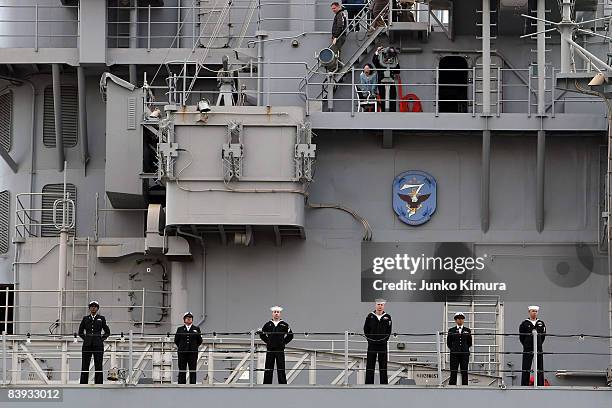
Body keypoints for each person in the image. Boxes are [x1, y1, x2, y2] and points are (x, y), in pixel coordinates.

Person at [78, 301, 111, 384]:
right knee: (85, 364)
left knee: (98, 364)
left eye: (95, 306)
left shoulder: (101, 318)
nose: (93, 308)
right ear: (89, 308)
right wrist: (86, 339)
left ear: (97, 308)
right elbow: (80, 332)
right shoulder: (85, 318)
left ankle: (99, 383)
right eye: (92, 306)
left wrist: (101, 339)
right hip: (87, 345)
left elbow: (107, 331)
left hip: (98, 345)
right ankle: (83, 383)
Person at [260, 306, 294, 384]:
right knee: (268, 367)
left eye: (278, 312)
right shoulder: (268, 324)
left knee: (281, 367)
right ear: (272, 313)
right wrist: (268, 341)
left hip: (280, 349)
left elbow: (290, 335)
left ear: (280, 314)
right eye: (275, 312)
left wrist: (283, 342)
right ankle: (267, 384)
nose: (276, 314)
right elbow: (262, 334)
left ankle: (282, 384)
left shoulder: (284, 325)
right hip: (270, 349)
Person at [363, 299, 392, 384]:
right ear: (375, 305)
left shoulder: (387, 317)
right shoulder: (370, 316)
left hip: (382, 345)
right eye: (378, 304)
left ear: (384, 306)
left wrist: (384, 340)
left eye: (382, 305)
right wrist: (370, 339)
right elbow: (366, 329)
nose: (380, 306)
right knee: (370, 365)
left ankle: (384, 384)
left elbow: (389, 331)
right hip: (372, 344)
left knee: (383, 365)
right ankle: (368, 383)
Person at [519, 305, 546, 386]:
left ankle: (540, 384)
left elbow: (543, 336)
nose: (534, 313)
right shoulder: (524, 323)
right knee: (526, 366)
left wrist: (539, 343)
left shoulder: (541, 323)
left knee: (539, 366)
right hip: (527, 348)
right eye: (533, 311)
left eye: (536, 311)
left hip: (538, 348)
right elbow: (521, 337)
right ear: (529, 312)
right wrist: (526, 344)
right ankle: (524, 384)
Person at [174, 312, 203, 384]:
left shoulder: (196, 329)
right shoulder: (180, 329)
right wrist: (182, 347)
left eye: (190, 318)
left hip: (193, 353)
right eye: (187, 318)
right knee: (182, 369)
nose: (189, 319)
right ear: (184, 319)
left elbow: (199, 341)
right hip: (182, 353)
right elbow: (176, 340)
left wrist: (194, 347)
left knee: (192, 369)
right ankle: (181, 384)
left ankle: (192, 384)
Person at [446, 312, 472, 385]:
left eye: (461, 319)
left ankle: (465, 386)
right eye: (458, 319)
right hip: (454, 354)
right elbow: (449, 343)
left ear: (463, 320)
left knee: (464, 371)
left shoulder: (467, 330)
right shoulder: (451, 330)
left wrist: (464, 348)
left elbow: (469, 342)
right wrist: (454, 349)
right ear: (455, 320)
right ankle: (452, 386)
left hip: (464, 354)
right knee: (453, 370)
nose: (460, 320)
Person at [372, 46, 400, 112]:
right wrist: (377, 51)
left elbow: (398, 71)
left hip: (391, 81)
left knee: (392, 96)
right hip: (381, 82)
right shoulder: (380, 64)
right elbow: (374, 61)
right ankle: (384, 112)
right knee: (383, 97)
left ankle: (392, 112)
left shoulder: (393, 63)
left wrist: (396, 61)